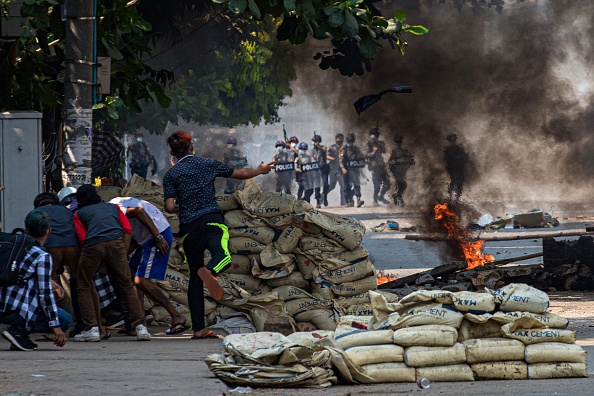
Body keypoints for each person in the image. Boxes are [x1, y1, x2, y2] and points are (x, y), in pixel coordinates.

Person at [163, 130, 273, 339]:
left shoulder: (171, 174)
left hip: (188, 229)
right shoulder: (207, 164)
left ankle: (198, 329)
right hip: (211, 221)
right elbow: (241, 174)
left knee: (194, 280)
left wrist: (181, 206)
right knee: (223, 256)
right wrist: (261, 170)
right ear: (191, 147)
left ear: (173, 152)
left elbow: (169, 206)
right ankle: (211, 271)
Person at [72, 184, 151, 342]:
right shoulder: (113, 208)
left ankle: (92, 328)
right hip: (116, 243)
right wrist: (122, 252)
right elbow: (127, 229)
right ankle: (141, 327)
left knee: (83, 284)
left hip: (92, 245)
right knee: (126, 285)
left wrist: (97, 260)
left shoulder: (78, 214)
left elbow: (82, 239)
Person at [109, 196, 189, 334]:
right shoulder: (114, 205)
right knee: (130, 276)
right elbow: (131, 236)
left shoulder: (114, 209)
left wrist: (158, 237)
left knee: (141, 281)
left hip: (156, 237)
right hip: (146, 239)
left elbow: (139, 211)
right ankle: (139, 322)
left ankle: (178, 317)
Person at [0, 209, 69, 351]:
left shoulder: (12, 246)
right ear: (48, 231)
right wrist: (55, 326)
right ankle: (18, 330)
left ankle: (20, 334)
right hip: (14, 310)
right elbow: (45, 294)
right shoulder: (41, 255)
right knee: (65, 320)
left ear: (27, 228)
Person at [366, 127, 391, 206]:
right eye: (373, 135)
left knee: (387, 183)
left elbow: (385, 151)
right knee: (377, 185)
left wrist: (388, 154)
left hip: (381, 165)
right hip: (374, 166)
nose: (375, 137)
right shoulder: (368, 144)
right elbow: (366, 154)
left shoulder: (380, 143)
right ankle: (375, 200)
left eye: (376, 136)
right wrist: (373, 151)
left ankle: (381, 197)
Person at [339, 134, 366, 208]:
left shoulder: (356, 149)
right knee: (346, 186)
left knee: (357, 184)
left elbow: (361, 157)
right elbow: (340, 160)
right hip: (346, 170)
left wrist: (361, 162)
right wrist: (343, 168)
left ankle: (358, 199)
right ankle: (347, 201)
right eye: (349, 141)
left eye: (351, 141)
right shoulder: (343, 149)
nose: (350, 143)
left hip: (354, 169)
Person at [388, 136, 415, 207]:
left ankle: (396, 196)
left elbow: (411, 160)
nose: (398, 144)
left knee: (401, 185)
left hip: (403, 170)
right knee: (402, 185)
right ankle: (398, 197)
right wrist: (396, 162)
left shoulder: (405, 151)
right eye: (397, 143)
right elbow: (390, 161)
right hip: (397, 171)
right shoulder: (393, 151)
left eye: (399, 142)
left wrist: (408, 161)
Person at [444, 133, 469, 200]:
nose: (453, 141)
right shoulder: (448, 149)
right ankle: (450, 197)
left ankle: (457, 199)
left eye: (454, 139)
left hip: (459, 168)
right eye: (451, 139)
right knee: (452, 182)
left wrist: (463, 157)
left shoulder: (459, 148)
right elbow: (446, 159)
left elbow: (464, 157)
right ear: (449, 141)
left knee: (459, 184)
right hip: (452, 168)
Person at [327, 133, 346, 206]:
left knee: (343, 185)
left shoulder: (344, 147)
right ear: (335, 139)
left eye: (341, 138)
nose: (340, 140)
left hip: (342, 169)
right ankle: (322, 197)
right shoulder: (332, 147)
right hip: (334, 168)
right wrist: (335, 159)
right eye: (338, 138)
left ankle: (343, 202)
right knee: (332, 186)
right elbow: (327, 156)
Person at [311, 134, 329, 208]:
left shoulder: (323, 147)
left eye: (315, 141)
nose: (314, 143)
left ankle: (324, 196)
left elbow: (324, 150)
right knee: (317, 185)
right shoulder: (312, 150)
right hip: (316, 169)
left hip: (324, 167)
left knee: (325, 184)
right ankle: (318, 201)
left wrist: (318, 146)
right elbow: (311, 158)